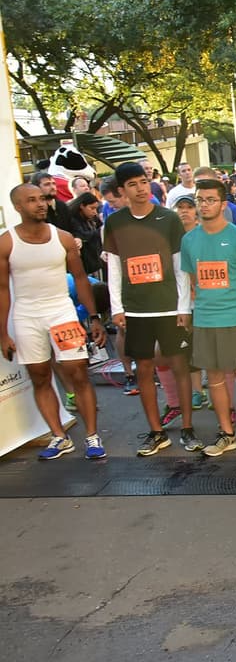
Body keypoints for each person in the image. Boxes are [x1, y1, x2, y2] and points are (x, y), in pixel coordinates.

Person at [0, 184, 108, 460]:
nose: (40, 204)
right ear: (17, 207)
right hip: (26, 316)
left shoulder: (62, 238)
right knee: (39, 376)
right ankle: (59, 436)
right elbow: (2, 289)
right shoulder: (6, 242)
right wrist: (3, 333)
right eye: (31, 200)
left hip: (62, 313)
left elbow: (81, 278)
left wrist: (94, 317)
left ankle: (92, 437)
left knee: (77, 371)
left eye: (43, 199)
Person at [104, 161, 198, 456]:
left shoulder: (169, 219)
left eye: (144, 182)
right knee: (145, 368)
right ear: (122, 190)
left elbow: (180, 265)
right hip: (136, 309)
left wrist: (184, 306)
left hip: (170, 307)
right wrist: (117, 307)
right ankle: (156, 432)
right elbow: (115, 268)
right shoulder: (116, 222)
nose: (140, 188)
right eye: (132, 184)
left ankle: (187, 428)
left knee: (179, 364)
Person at [180, 179, 236, 456]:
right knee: (214, 377)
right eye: (200, 200)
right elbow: (192, 278)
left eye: (210, 199)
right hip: (205, 318)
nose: (204, 205)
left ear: (223, 203)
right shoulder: (189, 239)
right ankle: (227, 434)